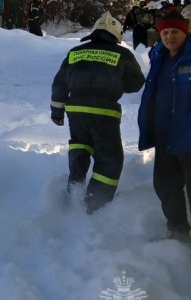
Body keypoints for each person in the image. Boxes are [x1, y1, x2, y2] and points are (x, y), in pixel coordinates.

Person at [51, 11, 145, 212]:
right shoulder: (123, 54)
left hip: (75, 110)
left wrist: (56, 112)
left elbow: (59, 83)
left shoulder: (75, 52)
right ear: (116, 34)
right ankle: (96, 202)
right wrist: (116, 85)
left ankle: (75, 185)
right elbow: (136, 83)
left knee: (81, 145)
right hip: (105, 112)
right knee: (109, 157)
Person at [137, 8, 191, 242]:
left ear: (185, 32)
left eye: (175, 32)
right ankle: (177, 229)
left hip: (188, 135)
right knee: (166, 186)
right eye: (165, 32)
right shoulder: (158, 56)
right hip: (164, 133)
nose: (170, 37)